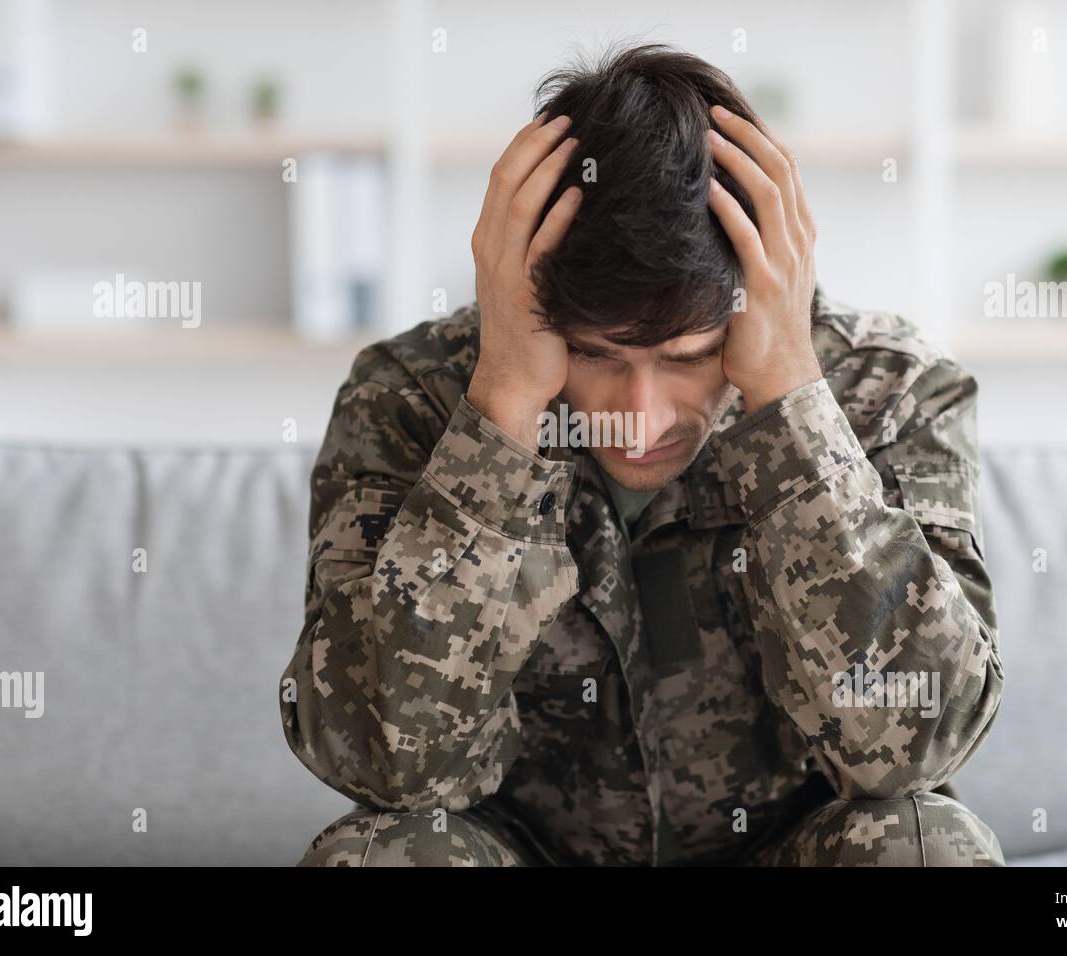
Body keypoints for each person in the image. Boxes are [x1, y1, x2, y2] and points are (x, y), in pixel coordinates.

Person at [279, 43, 1004, 866]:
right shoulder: (410, 396)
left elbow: (920, 749)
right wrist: (504, 412)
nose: (638, 415)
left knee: (925, 846)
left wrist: (791, 402)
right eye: (597, 354)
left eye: (690, 357)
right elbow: (380, 764)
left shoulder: (894, 391)